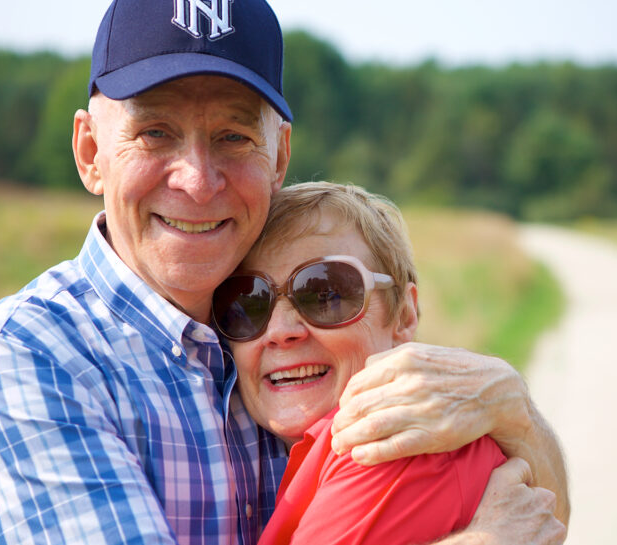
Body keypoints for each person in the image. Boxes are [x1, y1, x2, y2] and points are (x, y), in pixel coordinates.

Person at [0, 1, 568, 543]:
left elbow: (541, 519)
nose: (197, 179)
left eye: (234, 136)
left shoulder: (283, 353)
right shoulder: (27, 354)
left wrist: (514, 408)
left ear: (280, 157)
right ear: (90, 153)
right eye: (155, 132)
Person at [213, 181, 565, 544]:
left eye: (326, 295)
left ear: (403, 315)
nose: (280, 330)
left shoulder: (387, 447)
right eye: (248, 302)